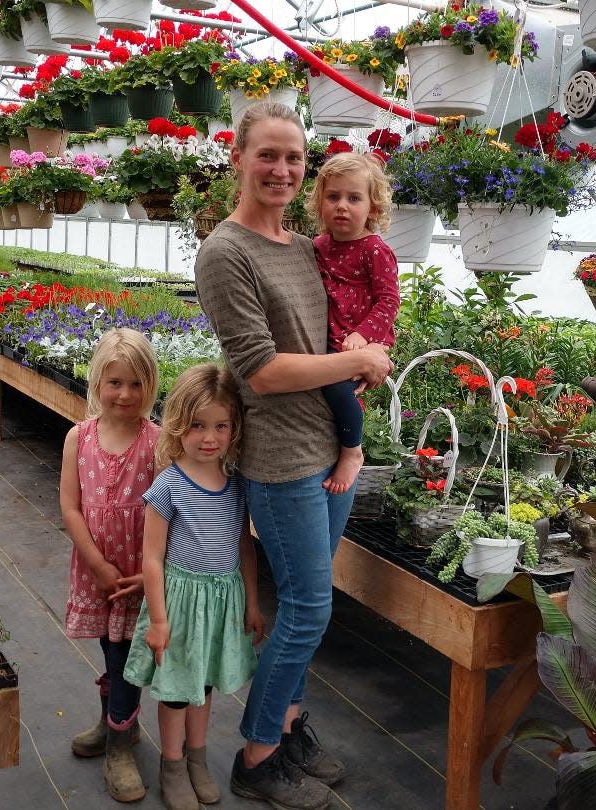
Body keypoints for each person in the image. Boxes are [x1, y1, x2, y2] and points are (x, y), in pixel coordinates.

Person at [193, 101, 394, 810]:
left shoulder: (308, 247)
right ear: (239, 159)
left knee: (310, 602)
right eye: (268, 155)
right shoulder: (226, 252)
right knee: (307, 607)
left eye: (293, 157)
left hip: (328, 450)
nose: (281, 169)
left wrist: (366, 358)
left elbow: (351, 317)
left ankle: (286, 722)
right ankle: (256, 755)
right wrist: (355, 364)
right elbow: (263, 372)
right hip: (279, 457)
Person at [115, 364, 264, 810]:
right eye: (198, 425)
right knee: (179, 689)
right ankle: (173, 764)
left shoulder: (236, 486)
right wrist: (158, 620)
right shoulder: (169, 486)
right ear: (179, 424)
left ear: (234, 429)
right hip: (180, 603)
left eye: (221, 426)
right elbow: (152, 559)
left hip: (222, 600)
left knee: (205, 684)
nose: (209, 437)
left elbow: (244, 547)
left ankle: (197, 759)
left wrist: (252, 602)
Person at [59, 328, 160, 803]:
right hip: (99, 570)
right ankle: (114, 722)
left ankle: (120, 742)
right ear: (98, 382)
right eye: (115, 382)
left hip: (141, 572)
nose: (125, 394)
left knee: (129, 657)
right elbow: (71, 507)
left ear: (152, 386)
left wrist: (149, 571)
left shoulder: (158, 442)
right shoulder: (78, 438)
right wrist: (97, 565)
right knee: (110, 648)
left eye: (137, 384)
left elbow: (167, 513)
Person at [307, 151, 400, 494]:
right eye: (333, 197)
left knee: (336, 388)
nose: (342, 206)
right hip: (333, 338)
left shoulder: (374, 250)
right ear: (320, 204)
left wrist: (364, 335)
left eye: (354, 198)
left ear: (373, 208)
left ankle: (352, 451)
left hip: (366, 337)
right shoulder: (317, 247)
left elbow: (389, 300)